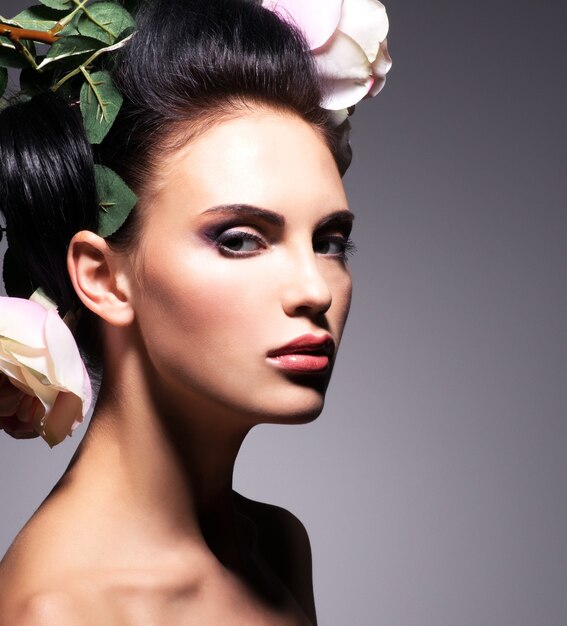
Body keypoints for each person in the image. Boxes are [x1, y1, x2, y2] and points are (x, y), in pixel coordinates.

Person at [0, 0, 390, 622]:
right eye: (239, 239)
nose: (315, 289)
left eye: (330, 241)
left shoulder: (277, 548)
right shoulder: (59, 611)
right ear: (104, 280)